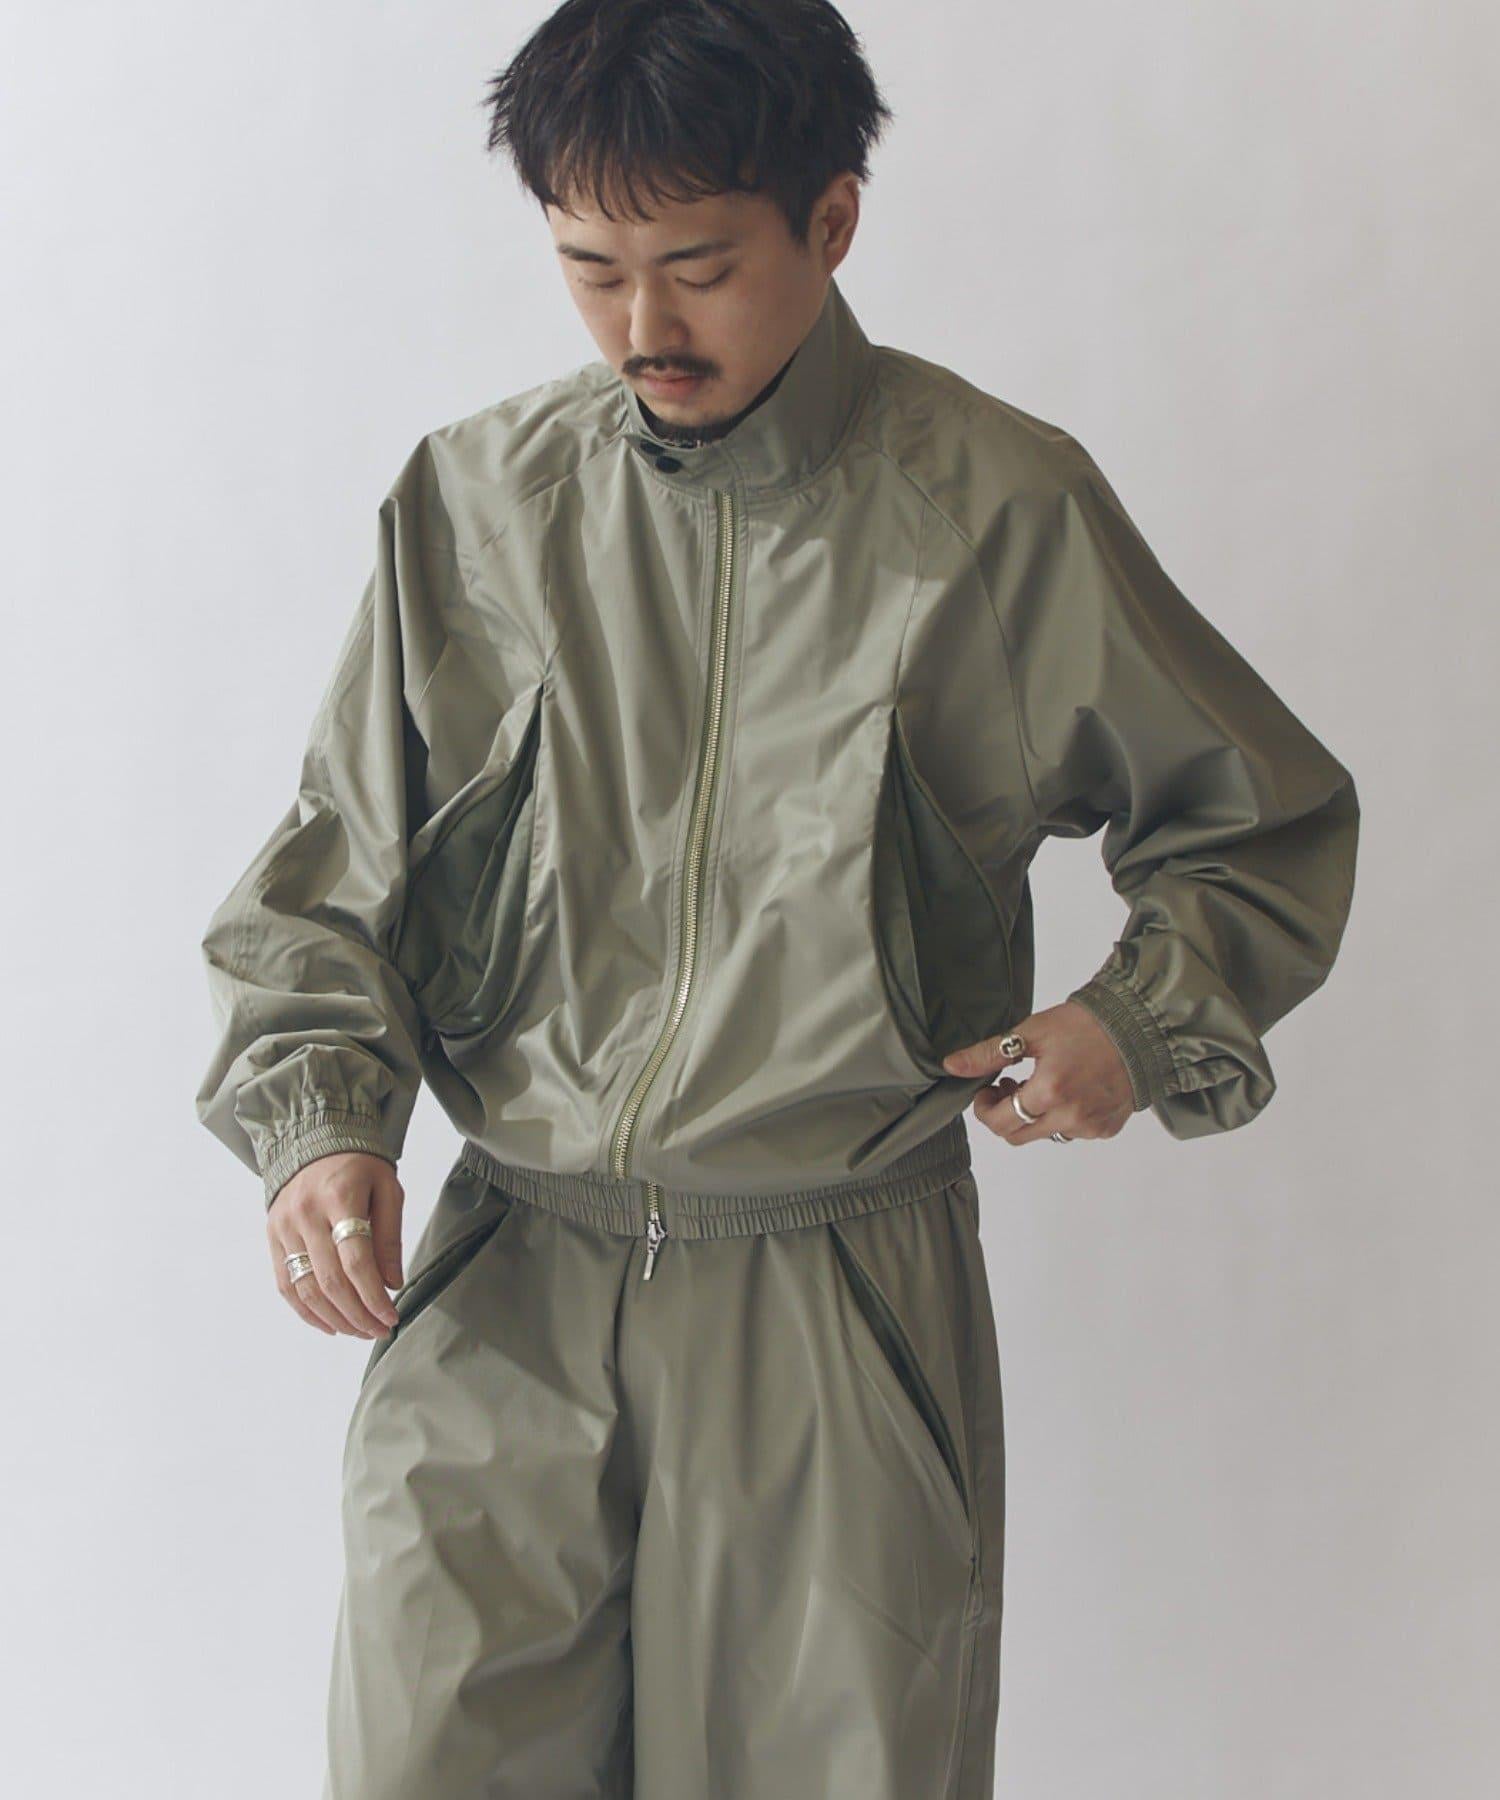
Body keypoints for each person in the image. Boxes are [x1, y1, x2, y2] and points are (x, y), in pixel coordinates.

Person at [192, 2, 1360, 1794]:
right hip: (508, 1286)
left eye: (699, 267)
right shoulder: (477, 505)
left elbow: (1258, 822)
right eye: (591, 269)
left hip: (836, 1306)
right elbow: (331, 867)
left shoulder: (995, 512)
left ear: (831, 222)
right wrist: (319, 1122)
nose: (642, 328)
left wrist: (1136, 1024)